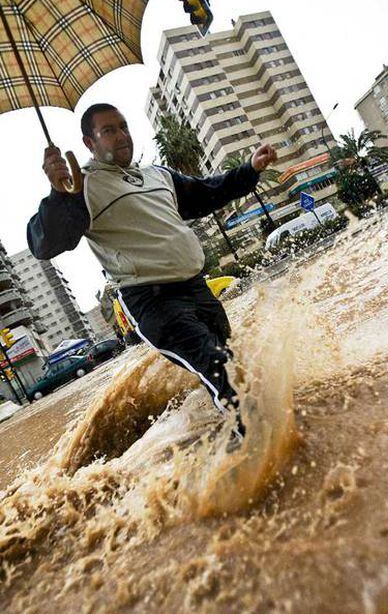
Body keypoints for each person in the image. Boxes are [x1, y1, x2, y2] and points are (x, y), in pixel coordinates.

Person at [27, 103, 276, 446]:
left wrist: (248, 169)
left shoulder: (158, 176)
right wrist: (58, 195)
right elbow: (46, 243)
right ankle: (261, 449)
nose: (121, 135)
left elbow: (207, 193)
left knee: (230, 363)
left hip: (197, 289)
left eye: (123, 126)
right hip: (154, 302)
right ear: (90, 143)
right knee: (219, 365)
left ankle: (235, 438)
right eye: (109, 130)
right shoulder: (81, 187)